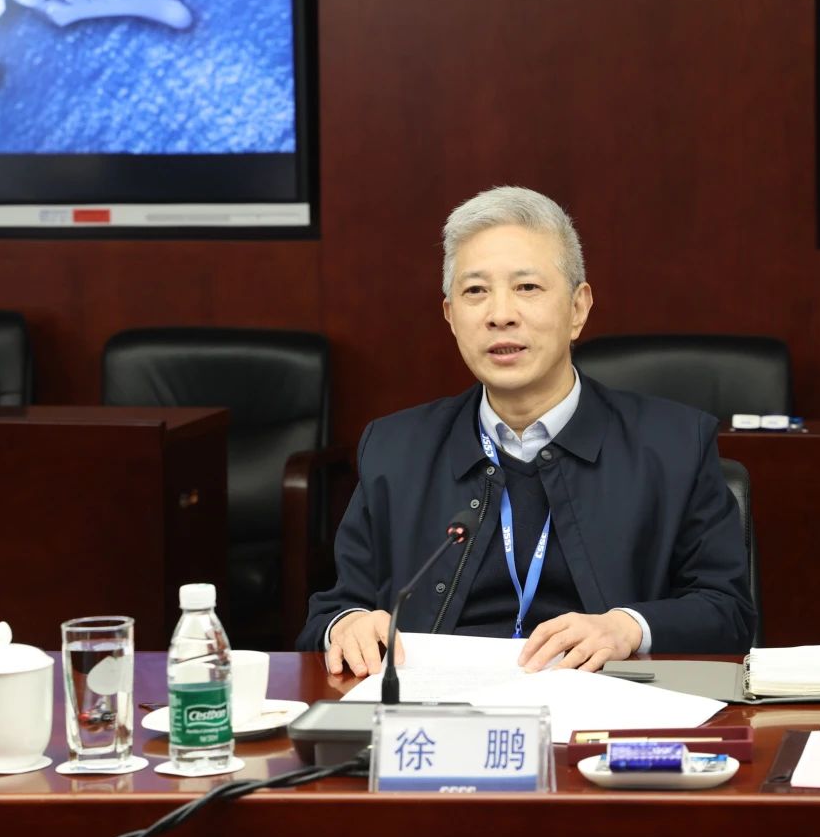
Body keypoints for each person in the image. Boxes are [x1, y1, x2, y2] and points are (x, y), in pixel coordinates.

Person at [296, 186, 756, 675]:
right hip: (438, 704)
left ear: (578, 309)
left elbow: (727, 612)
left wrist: (628, 627)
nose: (500, 315)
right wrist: (347, 624)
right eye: (476, 291)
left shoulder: (675, 444)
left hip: (602, 700)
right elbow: (332, 611)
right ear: (451, 316)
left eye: (527, 287)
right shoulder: (394, 449)